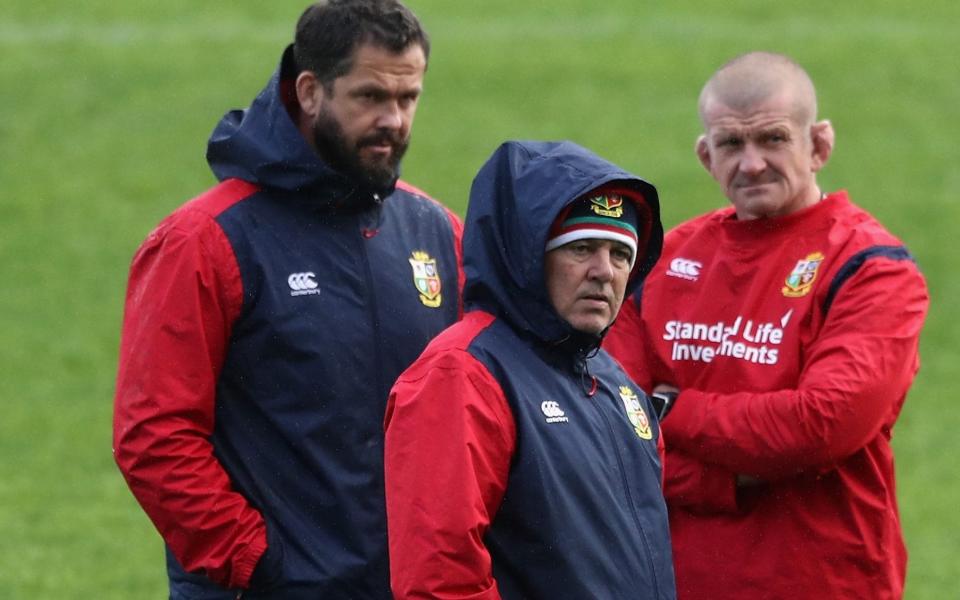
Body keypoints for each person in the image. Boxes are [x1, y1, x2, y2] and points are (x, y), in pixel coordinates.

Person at [113, 1, 463, 597]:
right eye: (371, 98)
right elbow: (155, 435)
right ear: (309, 91)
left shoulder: (437, 232)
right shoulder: (204, 243)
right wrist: (259, 564)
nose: (394, 122)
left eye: (409, 99)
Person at [605, 51, 929, 599]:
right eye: (732, 144)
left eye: (773, 139)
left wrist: (671, 410)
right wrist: (726, 479)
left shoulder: (872, 270)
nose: (751, 163)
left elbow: (822, 424)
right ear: (706, 155)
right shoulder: (656, 263)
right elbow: (608, 436)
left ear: (819, 145)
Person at [384, 140, 677, 599]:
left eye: (620, 254)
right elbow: (440, 580)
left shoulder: (617, 386)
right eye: (582, 248)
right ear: (528, 257)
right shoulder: (463, 374)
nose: (605, 271)